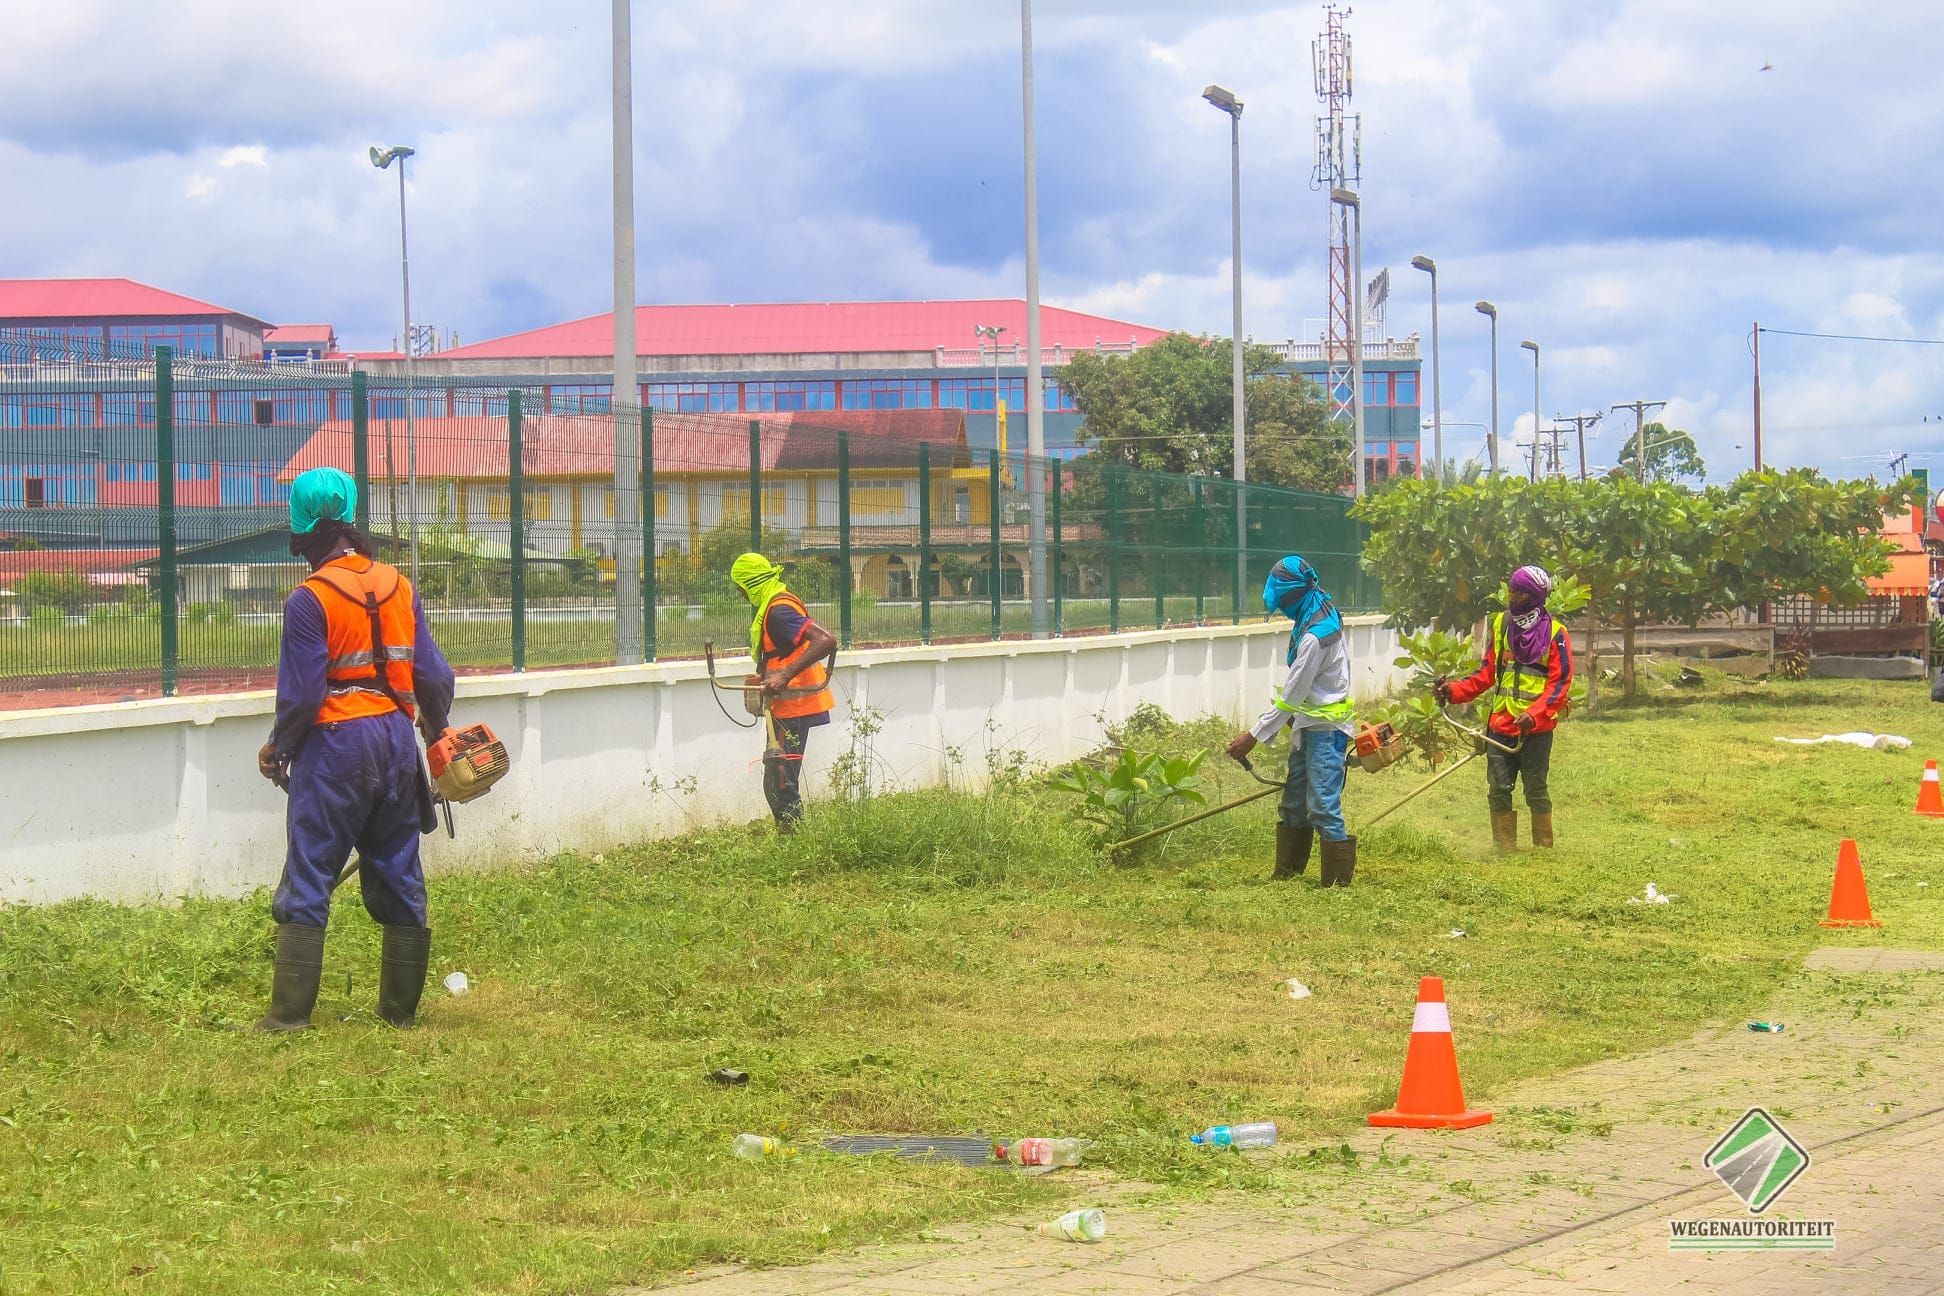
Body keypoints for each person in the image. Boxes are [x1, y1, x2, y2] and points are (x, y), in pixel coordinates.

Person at [253, 467, 455, 1032]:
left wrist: (279, 747)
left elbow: (302, 693)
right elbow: (434, 677)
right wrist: (437, 732)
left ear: (304, 530)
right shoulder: (398, 585)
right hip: (395, 738)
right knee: (398, 867)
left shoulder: (309, 599)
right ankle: (399, 1013)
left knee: (312, 868)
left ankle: (289, 1016)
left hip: (337, 743)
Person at [1225, 555, 1358, 887]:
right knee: (1295, 801)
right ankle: (1286, 877)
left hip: (1326, 729)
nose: (1280, 606)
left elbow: (1293, 694)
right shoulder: (1317, 604)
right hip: (1309, 723)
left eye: (1281, 599)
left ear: (1293, 594)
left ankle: (1337, 886)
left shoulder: (1314, 636)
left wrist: (1252, 737)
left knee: (1322, 805)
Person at [1434, 564, 1573, 852]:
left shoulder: (1557, 634)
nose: (1513, 599)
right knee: (1498, 788)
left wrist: (1533, 716)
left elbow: (1559, 686)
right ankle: (1505, 849)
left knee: (1535, 790)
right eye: (1511, 592)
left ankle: (1542, 849)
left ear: (1534, 597)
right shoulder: (1502, 625)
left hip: (1535, 730)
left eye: (1520, 595)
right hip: (1499, 726)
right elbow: (1485, 674)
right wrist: (1453, 691)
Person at [731, 552, 837, 831]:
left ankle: (795, 841)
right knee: (780, 776)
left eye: (739, 586)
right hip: (786, 705)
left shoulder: (778, 610)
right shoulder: (774, 604)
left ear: (749, 583)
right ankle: (792, 837)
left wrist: (785, 675)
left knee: (780, 780)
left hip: (794, 704)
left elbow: (825, 640)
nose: (740, 593)